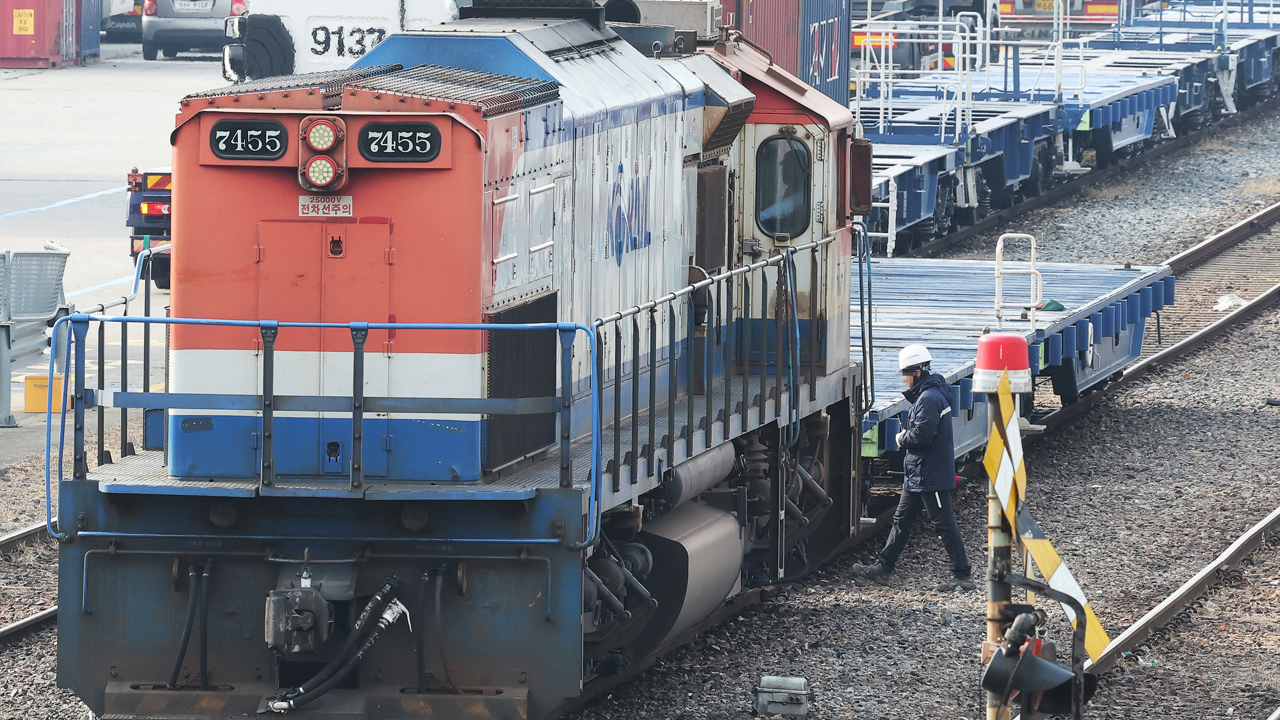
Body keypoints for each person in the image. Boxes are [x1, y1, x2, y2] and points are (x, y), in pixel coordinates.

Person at [852, 344, 975, 592]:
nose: (904, 379)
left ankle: (963, 575)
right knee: (901, 521)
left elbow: (922, 436)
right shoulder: (928, 395)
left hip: (931, 475)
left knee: (944, 524)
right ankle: (883, 567)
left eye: (905, 374)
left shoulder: (929, 398)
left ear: (917, 372)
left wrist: (900, 438)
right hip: (919, 473)